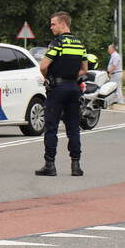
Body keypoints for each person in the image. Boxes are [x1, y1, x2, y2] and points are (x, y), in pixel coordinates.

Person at [36, 11, 88, 177]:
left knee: (51, 127)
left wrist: (49, 78)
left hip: (57, 89)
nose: (51, 27)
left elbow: (43, 66)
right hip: (74, 89)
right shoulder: (80, 44)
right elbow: (84, 70)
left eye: (53, 24)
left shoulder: (57, 43)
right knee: (73, 128)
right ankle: (76, 166)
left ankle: (50, 165)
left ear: (63, 24)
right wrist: (72, 77)